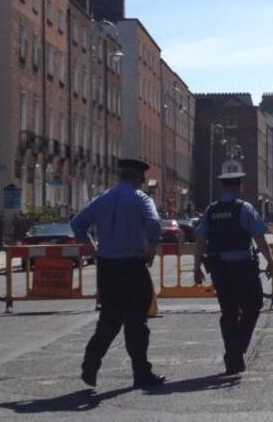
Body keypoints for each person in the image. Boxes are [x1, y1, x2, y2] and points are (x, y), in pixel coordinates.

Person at [71, 158, 165, 390]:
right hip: (132, 265)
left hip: (107, 265)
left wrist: (91, 246)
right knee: (136, 321)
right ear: (138, 178)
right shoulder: (141, 198)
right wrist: (151, 247)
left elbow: (77, 224)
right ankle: (141, 373)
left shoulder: (102, 199)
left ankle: (91, 363)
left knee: (110, 319)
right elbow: (153, 222)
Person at [193, 171, 273, 376]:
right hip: (243, 269)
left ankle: (233, 356)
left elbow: (200, 240)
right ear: (239, 187)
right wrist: (271, 262)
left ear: (222, 188)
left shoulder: (211, 211)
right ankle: (236, 350)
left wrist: (196, 267)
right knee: (253, 306)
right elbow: (259, 238)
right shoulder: (244, 209)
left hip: (220, 269)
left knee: (228, 312)